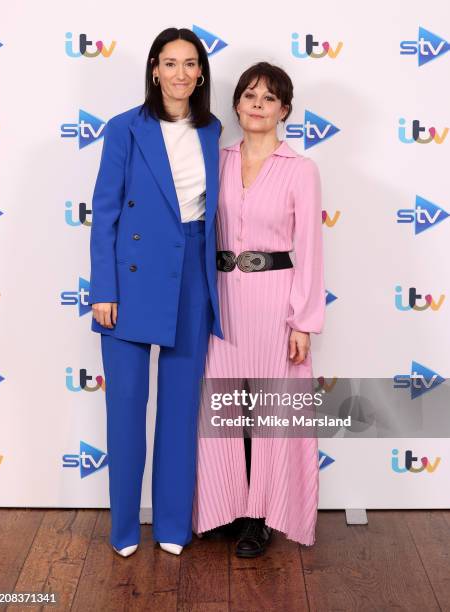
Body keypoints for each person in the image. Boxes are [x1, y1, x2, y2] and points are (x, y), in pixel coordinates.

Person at [88, 27, 223, 557]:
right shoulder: (125, 128)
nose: (181, 74)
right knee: (124, 406)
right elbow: (105, 213)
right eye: (171, 63)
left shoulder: (212, 131)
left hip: (191, 272)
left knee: (180, 408)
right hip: (130, 278)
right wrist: (104, 288)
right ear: (154, 70)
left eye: (191, 64)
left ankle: (171, 524)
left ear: (201, 73)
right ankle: (124, 529)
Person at [192, 62, 325, 557]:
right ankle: (222, 508)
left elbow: (309, 247)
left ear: (284, 110)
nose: (256, 105)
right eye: (249, 95)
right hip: (220, 298)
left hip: (275, 299)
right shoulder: (217, 159)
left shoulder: (301, 170)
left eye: (269, 99)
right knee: (221, 407)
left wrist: (303, 321)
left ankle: (259, 517)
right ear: (236, 104)